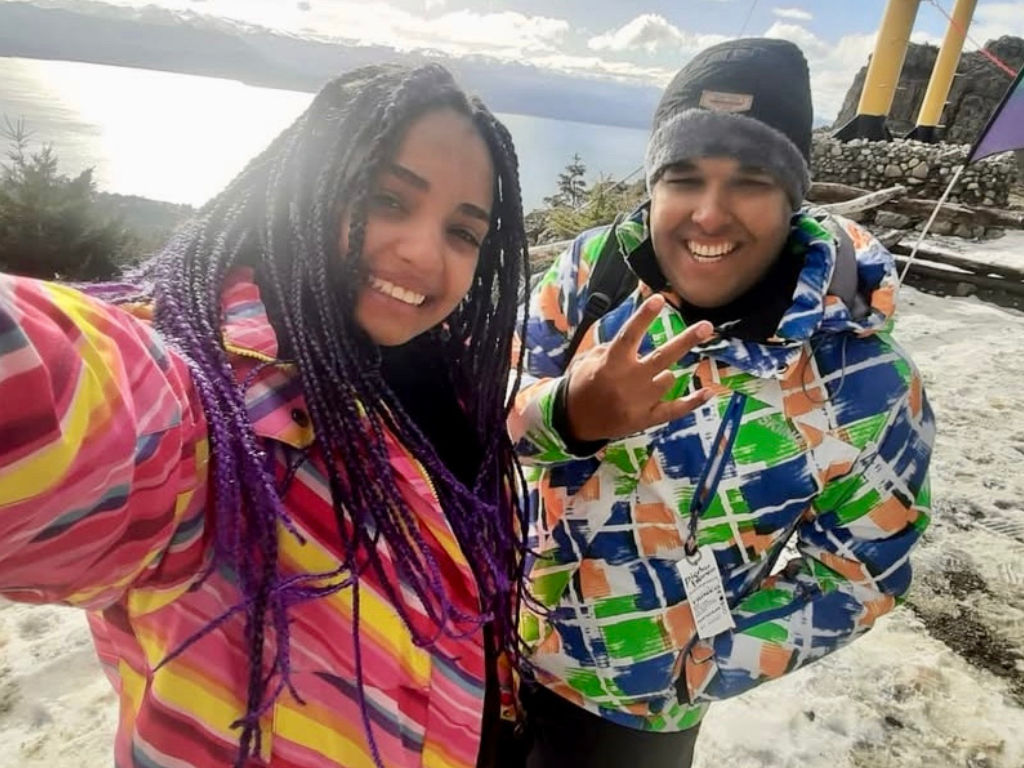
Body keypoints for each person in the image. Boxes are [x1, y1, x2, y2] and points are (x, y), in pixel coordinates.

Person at [0, 63, 532, 768]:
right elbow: (63, 388)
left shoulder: (440, 375)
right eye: (386, 199)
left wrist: (572, 414)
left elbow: (505, 434)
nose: (423, 252)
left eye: (463, 232)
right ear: (306, 185)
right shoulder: (210, 407)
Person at [512, 38, 935, 768]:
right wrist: (565, 416)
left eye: (750, 180)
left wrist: (701, 660)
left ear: (793, 197)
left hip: (634, 721)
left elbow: (861, 573)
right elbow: (474, 410)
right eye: (683, 177)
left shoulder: (864, 381)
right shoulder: (592, 274)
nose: (709, 215)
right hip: (478, 645)